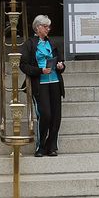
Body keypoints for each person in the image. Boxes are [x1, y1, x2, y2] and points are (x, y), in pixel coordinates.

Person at [20, 14, 65, 157]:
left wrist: (60, 65)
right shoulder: (30, 44)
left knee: (56, 116)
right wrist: (40, 71)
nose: (48, 29)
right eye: (45, 26)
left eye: (49, 27)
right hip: (40, 83)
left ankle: (52, 146)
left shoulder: (52, 43)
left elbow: (61, 62)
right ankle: (41, 146)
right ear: (37, 27)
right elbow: (23, 65)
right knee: (45, 114)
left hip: (55, 82)